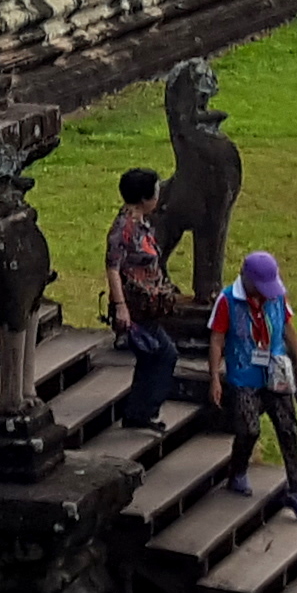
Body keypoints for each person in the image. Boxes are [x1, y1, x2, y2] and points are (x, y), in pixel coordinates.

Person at [212, 248, 297, 499]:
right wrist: (215, 377)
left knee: (288, 429)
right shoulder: (227, 300)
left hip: (276, 372)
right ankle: (238, 472)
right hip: (244, 375)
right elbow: (217, 339)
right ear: (246, 279)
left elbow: (288, 328)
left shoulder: (276, 296)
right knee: (248, 429)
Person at [100, 165, 183, 436]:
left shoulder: (141, 223)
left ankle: (138, 412)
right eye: (155, 192)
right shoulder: (123, 228)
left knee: (150, 357)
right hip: (135, 307)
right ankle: (145, 410)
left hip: (147, 305)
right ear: (144, 198)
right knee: (165, 354)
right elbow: (113, 268)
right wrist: (121, 307)